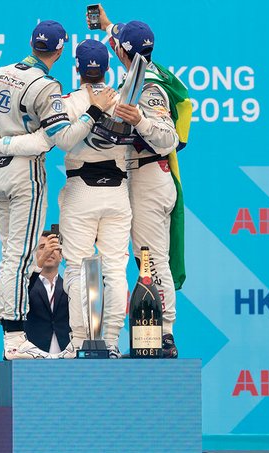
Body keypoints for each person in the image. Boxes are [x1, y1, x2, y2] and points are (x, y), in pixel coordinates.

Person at [0, 20, 115, 359]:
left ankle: (11, 336)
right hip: (26, 176)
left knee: (10, 256)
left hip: (0, 175)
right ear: (61, 50)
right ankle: (14, 338)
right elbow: (60, 138)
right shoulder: (46, 86)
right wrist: (93, 111)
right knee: (19, 258)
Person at [94, 6, 191, 358]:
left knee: (152, 257)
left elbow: (166, 138)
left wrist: (140, 120)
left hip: (150, 174)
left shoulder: (149, 88)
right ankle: (151, 329)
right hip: (139, 175)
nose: (113, 47)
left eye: (116, 44)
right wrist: (106, 24)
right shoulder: (146, 68)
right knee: (141, 256)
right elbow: (119, 35)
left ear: (124, 53)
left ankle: (165, 333)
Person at [24, 232, 70, 355]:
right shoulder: (26, 284)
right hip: (34, 355)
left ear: (61, 256)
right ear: (34, 255)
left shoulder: (70, 287)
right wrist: (38, 264)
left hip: (67, 355)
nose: (49, 252)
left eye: (54, 247)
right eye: (42, 247)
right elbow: (22, 295)